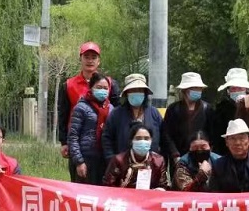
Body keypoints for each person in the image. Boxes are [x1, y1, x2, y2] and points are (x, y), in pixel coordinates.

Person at [57, 42, 121, 180]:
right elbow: (63, 115)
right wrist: (64, 142)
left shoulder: (110, 84)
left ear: (99, 61)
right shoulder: (69, 85)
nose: (90, 60)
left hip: (105, 144)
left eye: (94, 57)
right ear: (80, 59)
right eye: (86, 57)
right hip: (79, 145)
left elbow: (118, 113)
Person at [102, 73, 169, 169]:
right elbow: (107, 139)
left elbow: (164, 139)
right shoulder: (116, 114)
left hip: (150, 166)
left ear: (145, 93)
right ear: (127, 93)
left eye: (140, 90)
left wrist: (160, 162)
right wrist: (112, 160)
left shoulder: (154, 113)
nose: (137, 93)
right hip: (122, 167)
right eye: (133, 90)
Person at [67, 72, 112, 185]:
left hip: (104, 160)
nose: (102, 90)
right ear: (91, 88)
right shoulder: (81, 108)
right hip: (86, 160)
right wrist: (79, 162)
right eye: (99, 87)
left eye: (105, 88)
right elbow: (73, 136)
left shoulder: (111, 109)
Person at [162, 72, 213, 165]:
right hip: (179, 158)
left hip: (202, 156)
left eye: (199, 88)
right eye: (194, 88)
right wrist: (175, 154)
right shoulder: (173, 109)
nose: (197, 91)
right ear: (184, 90)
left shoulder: (207, 108)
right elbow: (167, 134)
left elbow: (213, 134)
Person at [103, 124, 169, 190]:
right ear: (131, 141)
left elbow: (163, 186)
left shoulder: (158, 161)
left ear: (151, 140)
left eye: (146, 138)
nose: (143, 141)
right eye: (138, 138)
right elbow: (108, 185)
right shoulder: (118, 160)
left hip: (149, 195)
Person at [211, 68, 249, 157]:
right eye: (233, 88)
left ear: (246, 89)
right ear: (228, 90)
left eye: (240, 88)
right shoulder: (221, 109)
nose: (237, 90)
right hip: (226, 154)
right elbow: (217, 136)